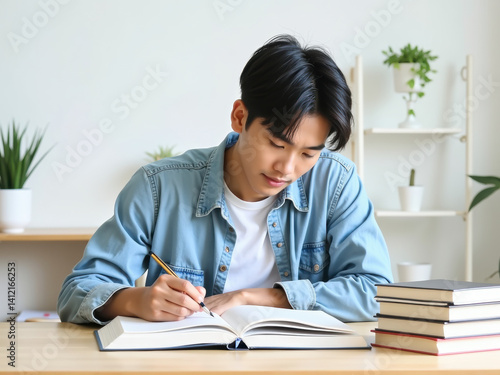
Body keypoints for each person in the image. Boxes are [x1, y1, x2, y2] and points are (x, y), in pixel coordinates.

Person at [57, 34, 393, 325]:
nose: (287, 168)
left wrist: (259, 297)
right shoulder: (159, 187)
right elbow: (77, 291)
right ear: (240, 116)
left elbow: (375, 292)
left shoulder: (336, 184)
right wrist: (136, 301)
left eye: (308, 153)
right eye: (277, 144)